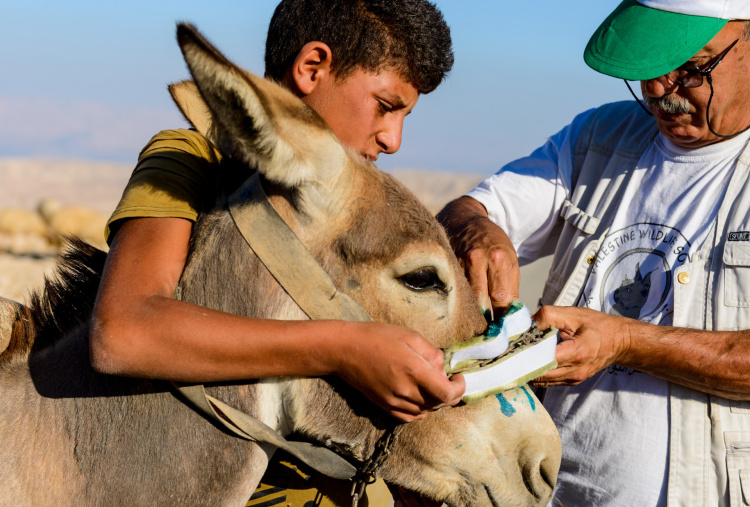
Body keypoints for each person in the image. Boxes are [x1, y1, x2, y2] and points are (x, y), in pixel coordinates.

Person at [90, 1, 457, 505]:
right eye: (386, 105)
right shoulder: (191, 154)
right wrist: (345, 348)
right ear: (312, 68)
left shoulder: (345, 215)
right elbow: (123, 332)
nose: (393, 139)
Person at [438, 1, 750, 505]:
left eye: (691, 69)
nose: (658, 91)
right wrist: (476, 230)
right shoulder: (598, 138)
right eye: (647, 68)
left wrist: (628, 341)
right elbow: (468, 212)